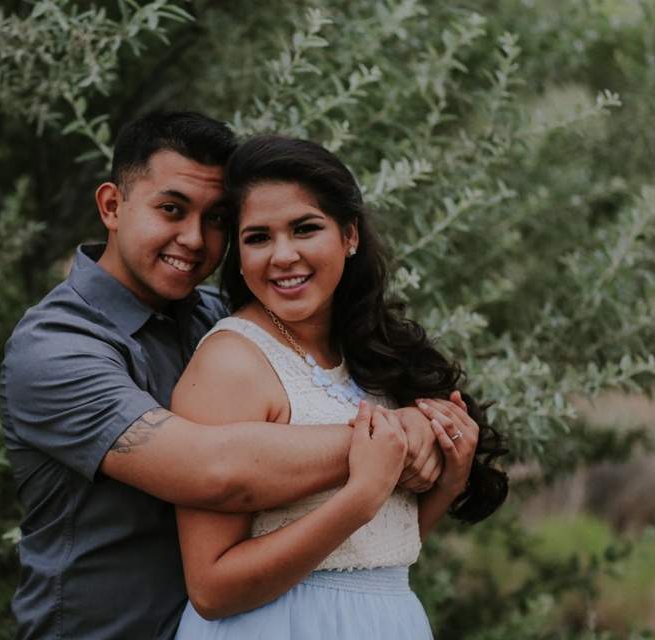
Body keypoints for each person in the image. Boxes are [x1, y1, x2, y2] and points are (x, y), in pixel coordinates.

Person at [0, 111, 450, 640]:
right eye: (172, 209)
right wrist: (394, 436)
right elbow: (213, 470)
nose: (193, 238)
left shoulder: (226, 318)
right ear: (112, 206)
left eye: (216, 219)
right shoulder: (54, 349)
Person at [172, 135, 509, 639]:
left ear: (349, 234)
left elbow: (380, 551)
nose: (283, 255)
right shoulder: (231, 363)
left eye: (305, 229)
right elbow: (212, 590)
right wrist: (362, 494)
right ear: (237, 255)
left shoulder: (373, 355)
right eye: (258, 237)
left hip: (386, 618)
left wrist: (450, 480)